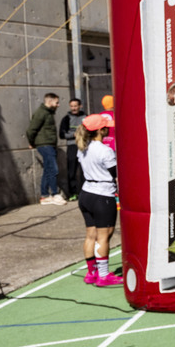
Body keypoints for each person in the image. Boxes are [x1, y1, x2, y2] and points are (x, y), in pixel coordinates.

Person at [76, 114, 121, 286]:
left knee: (90, 235)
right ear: (101, 130)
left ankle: (91, 273)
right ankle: (103, 275)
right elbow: (116, 174)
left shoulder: (82, 148)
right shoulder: (105, 150)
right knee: (104, 236)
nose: (109, 128)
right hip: (102, 195)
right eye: (106, 126)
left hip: (86, 193)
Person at [26, 92, 64, 205]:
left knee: (48, 169)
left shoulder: (48, 113)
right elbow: (31, 130)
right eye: (56, 102)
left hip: (49, 144)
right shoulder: (41, 113)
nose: (58, 105)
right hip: (44, 144)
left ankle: (44, 196)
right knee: (53, 169)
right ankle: (55, 194)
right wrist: (32, 143)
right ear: (50, 101)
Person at [58, 98, 86, 199]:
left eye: (75, 106)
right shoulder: (66, 118)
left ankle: (84, 192)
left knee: (85, 170)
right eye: (72, 106)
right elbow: (61, 134)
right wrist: (74, 134)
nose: (73, 108)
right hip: (72, 146)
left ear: (80, 106)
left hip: (84, 146)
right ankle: (73, 193)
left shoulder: (85, 117)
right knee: (72, 171)